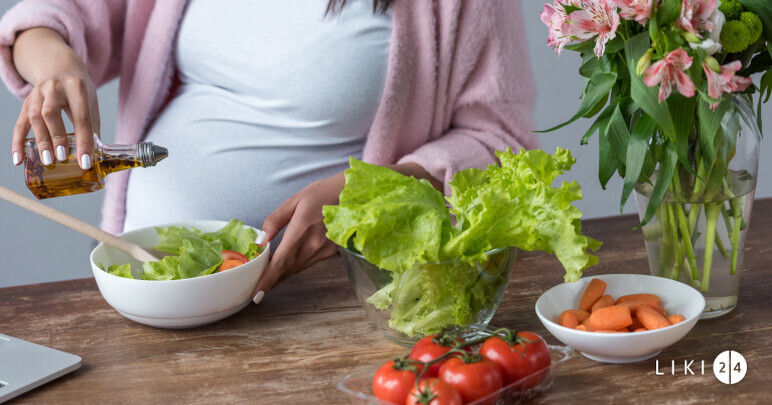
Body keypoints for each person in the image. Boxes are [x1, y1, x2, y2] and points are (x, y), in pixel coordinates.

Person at [0, 0, 536, 304]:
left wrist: (374, 194)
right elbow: (54, 18)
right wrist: (56, 66)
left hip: (320, 305)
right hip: (151, 296)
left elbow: (500, 142)